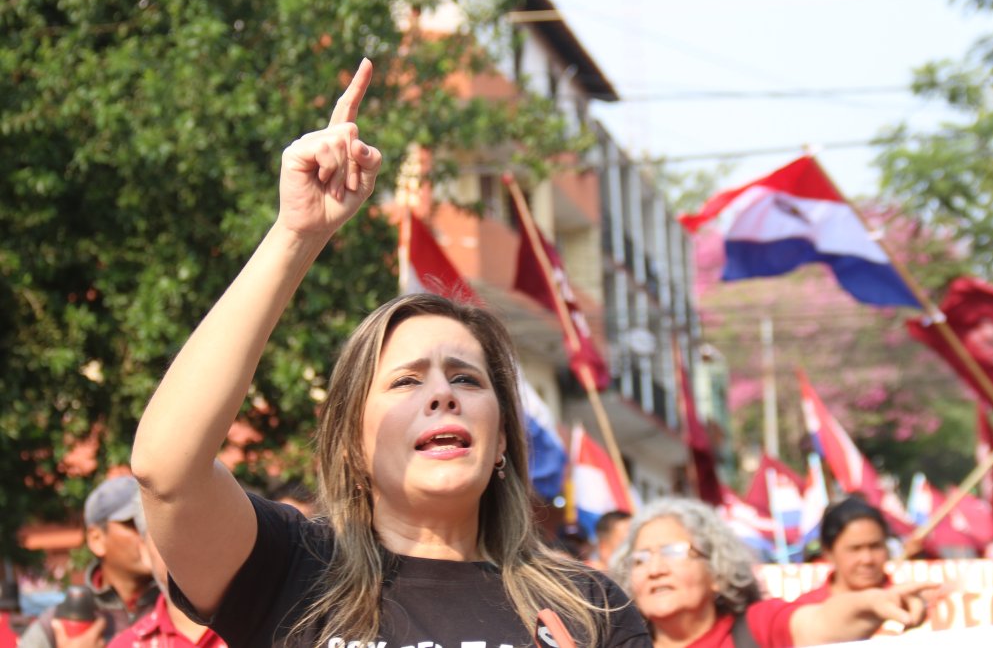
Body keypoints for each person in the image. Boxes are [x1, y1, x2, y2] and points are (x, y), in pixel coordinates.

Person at [131, 59, 649, 648]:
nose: (443, 393)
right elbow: (165, 470)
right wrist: (297, 235)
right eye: (406, 381)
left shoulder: (590, 609)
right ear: (352, 439)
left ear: (502, 437)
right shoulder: (290, 569)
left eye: (467, 379)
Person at [610, 497, 932, 648]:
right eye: (639, 559)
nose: (654, 569)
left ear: (718, 571)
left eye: (673, 552)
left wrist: (872, 604)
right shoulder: (612, 643)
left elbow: (820, 624)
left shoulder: (759, 627)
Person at [21, 475, 159, 648]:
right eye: (132, 523)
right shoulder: (60, 624)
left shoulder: (183, 608)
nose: (148, 532)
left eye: (152, 521)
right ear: (96, 539)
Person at [108, 495, 227, 648]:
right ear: (144, 550)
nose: (184, 547)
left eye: (198, 529)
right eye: (167, 534)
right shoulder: (126, 645)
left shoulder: (262, 630)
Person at [793, 498, 890, 605]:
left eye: (875, 546)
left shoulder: (907, 604)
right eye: (855, 549)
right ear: (828, 552)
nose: (867, 559)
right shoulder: (807, 611)